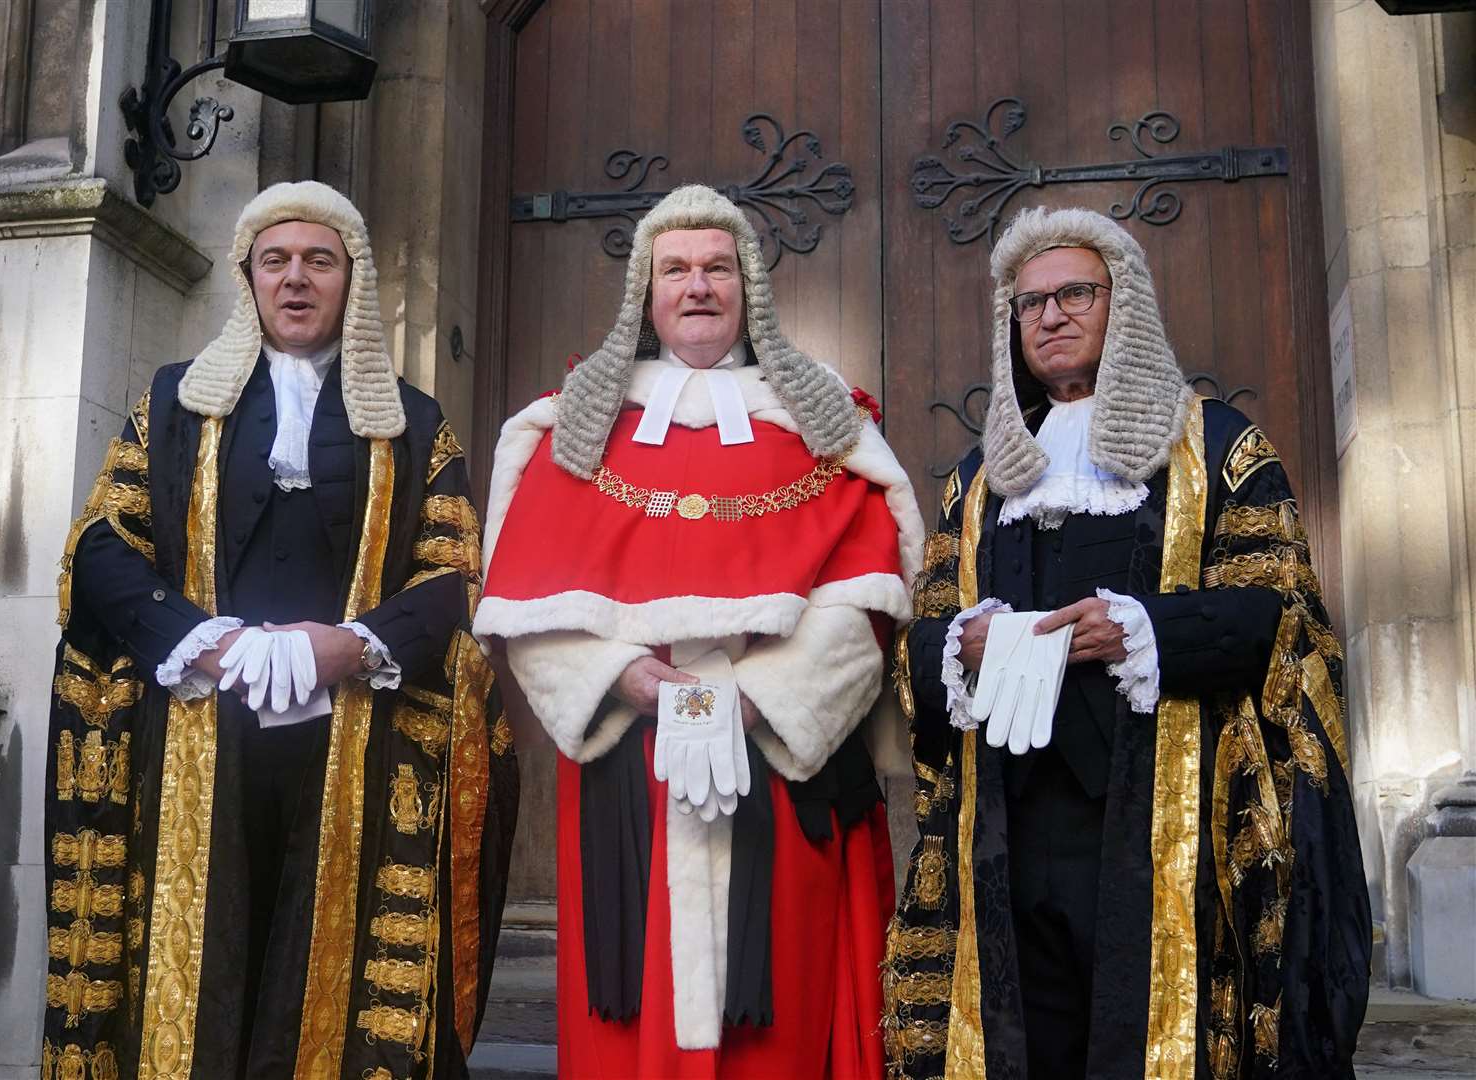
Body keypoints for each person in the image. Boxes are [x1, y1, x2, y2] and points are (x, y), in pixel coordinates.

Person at [42, 180, 518, 1079]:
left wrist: (347, 647)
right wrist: (202, 640)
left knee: (321, 964)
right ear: (249, 278)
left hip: (356, 740)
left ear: (353, 280)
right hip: (198, 730)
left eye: (318, 262)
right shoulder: (177, 401)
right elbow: (103, 543)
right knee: (209, 952)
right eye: (276, 262)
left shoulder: (415, 424)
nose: (296, 279)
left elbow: (453, 571)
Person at [884, 206, 1371, 1079]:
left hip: (1159, 824)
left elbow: (1276, 616)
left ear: (1126, 305)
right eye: (1030, 304)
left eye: (1075, 293)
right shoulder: (978, 479)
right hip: (1009, 828)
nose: (1052, 316)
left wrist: (1137, 628)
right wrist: (967, 640)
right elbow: (916, 644)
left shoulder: (1217, 448)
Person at [475, 184, 924, 1077]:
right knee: (626, 1005)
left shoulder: (824, 424)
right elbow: (525, 609)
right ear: (645, 294)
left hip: (780, 760)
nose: (698, 286)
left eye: (717, 267)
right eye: (674, 269)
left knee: (783, 1019)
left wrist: (754, 703)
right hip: (627, 763)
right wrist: (633, 683)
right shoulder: (572, 427)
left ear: (748, 287)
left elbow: (866, 597)